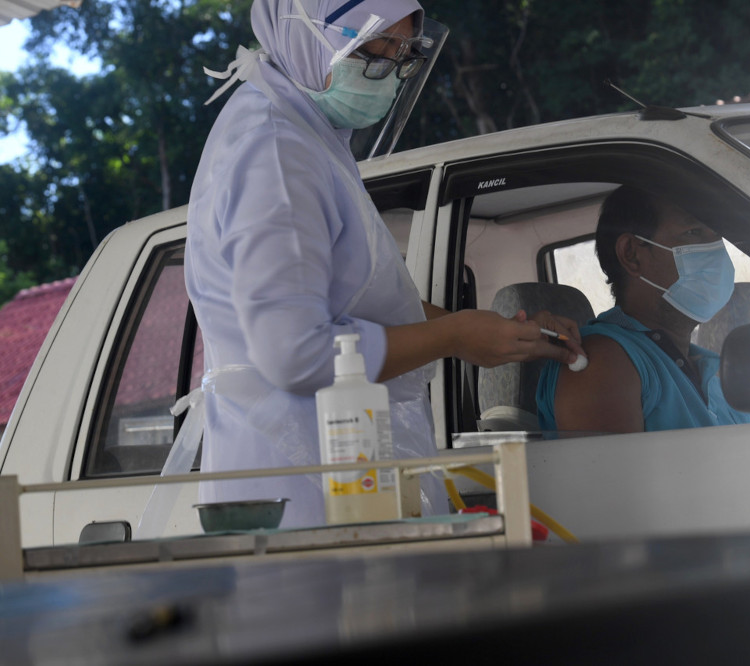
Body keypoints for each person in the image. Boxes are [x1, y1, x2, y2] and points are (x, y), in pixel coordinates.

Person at [183, 0, 583, 528]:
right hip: (303, 489)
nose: (389, 71)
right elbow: (296, 353)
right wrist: (455, 337)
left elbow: (352, 305)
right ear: (307, 32)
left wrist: (501, 330)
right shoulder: (275, 150)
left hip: (339, 479)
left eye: (404, 52)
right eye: (375, 46)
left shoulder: (301, 134)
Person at [536, 185, 750, 433]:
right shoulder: (602, 361)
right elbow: (608, 471)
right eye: (694, 232)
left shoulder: (713, 366)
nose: (715, 248)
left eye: (717, 234)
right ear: (631, 255)